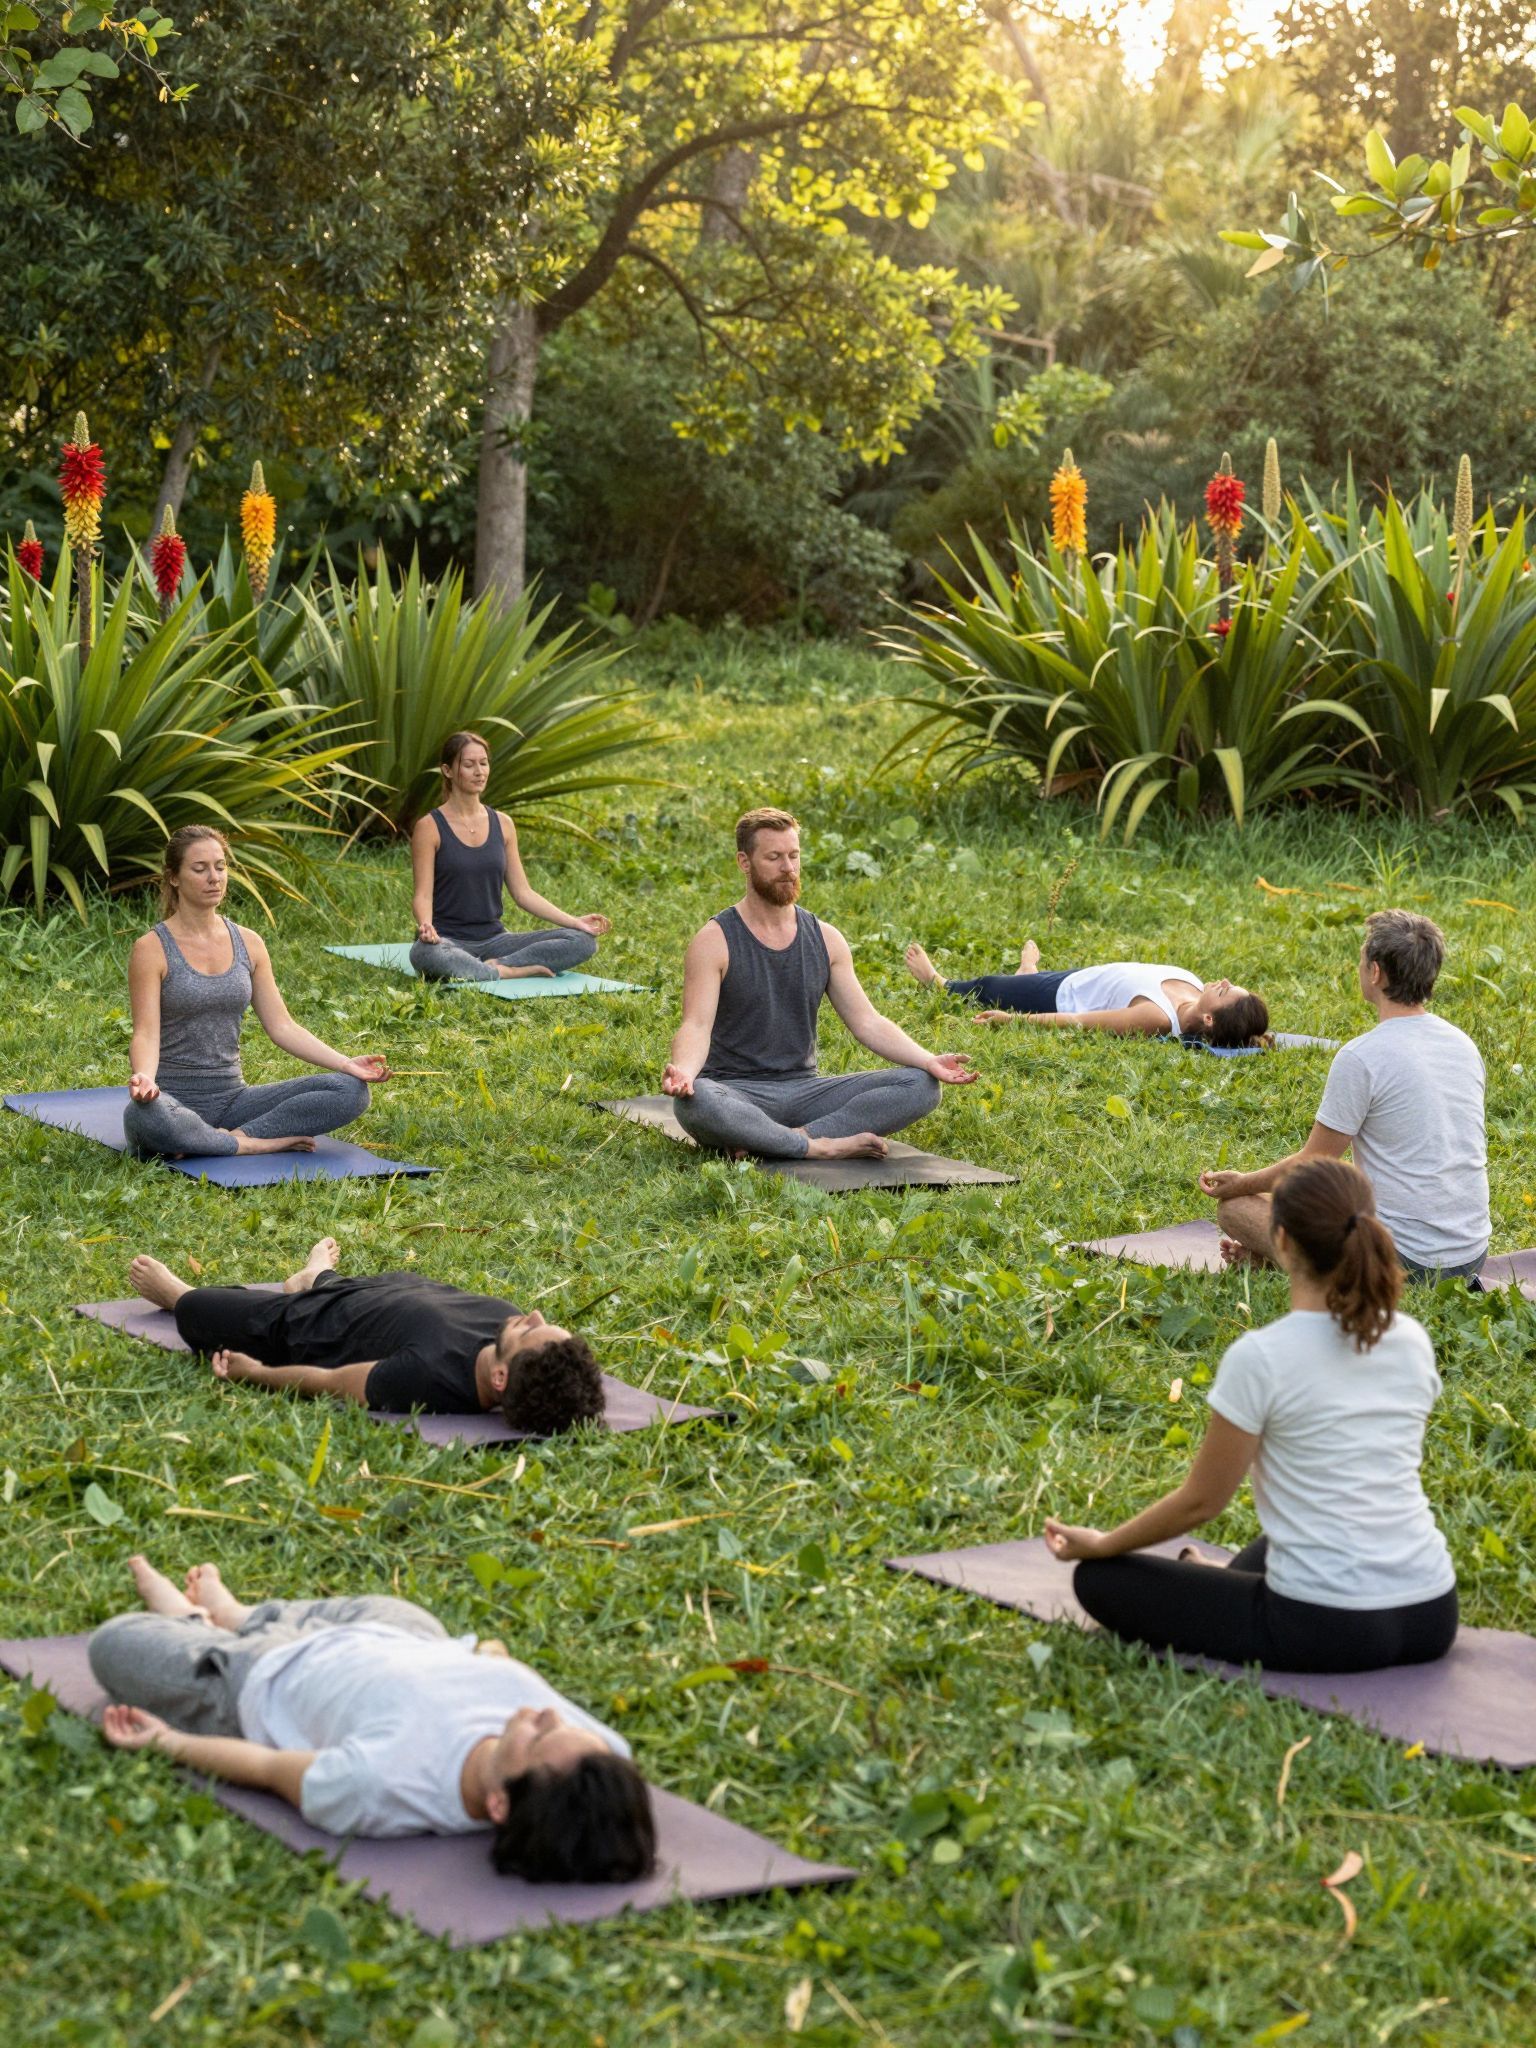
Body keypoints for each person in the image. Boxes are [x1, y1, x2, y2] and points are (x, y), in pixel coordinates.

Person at [1044, 1160, 1458, 1674]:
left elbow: (1201, 1503)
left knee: (1098, 1580)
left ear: (1280, 1241)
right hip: (1432, 1612)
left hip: (1328, 1627)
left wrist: (1105, 1543)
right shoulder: (1408, 1338)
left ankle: (1216, 1580)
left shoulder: (1262, 1356)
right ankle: (1219, 1575)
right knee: (1299, 1526)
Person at [91, 1555, 655, 1885]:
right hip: (398, 1638)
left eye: (540, 1735)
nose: (546, 1713)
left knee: (113, 1644)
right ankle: (236, 1613)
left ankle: (204, 1624)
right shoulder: (601, 1761)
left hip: (261, 1677)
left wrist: (168, 1742)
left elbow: (266, 1767)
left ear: (500, 1804)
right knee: (408, 1614)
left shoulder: (380, 1784)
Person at [663, 808, 978, 1159]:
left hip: (806, 1093)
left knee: (921, 1085)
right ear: (744, 862)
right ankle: (818, 1147)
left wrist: (929, 1059)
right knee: (697, 1102)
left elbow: (867, 1022)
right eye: (774, 857)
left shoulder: (826, 938)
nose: (788, 868)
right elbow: (696, 1024)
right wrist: (685, 1074)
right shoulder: (714, 940)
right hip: (736, 1093)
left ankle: (790, 1138)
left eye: (794, 856)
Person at [1197, 909, 1488, 1283]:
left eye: (1362, 958)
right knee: (1325, 1191)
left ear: (1376, 972)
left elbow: (1312, 1163)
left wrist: (1242, 1183)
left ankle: (1304, 1265)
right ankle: (1275, 1256)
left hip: (1402, 1263)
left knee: (1237, 1209)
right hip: (1469, 1257)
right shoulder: (1462, 1044)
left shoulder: (1362, 1056)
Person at [127, 1235, 606, 1432]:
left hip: (301, 1325)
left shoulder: (427, 1379)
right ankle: (312, 1278)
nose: (536, 1314)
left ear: (500, 1379)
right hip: (365, 1295)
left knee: (197, 1310)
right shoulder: (506, 1322)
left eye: (533, 1332)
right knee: (332, 1288)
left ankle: (184, 1293)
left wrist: (257, 1374)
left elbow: (334, 1384)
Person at [123, 826, 390, 1159]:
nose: (214, 877)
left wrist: (346, 1063)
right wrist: (145, 1080)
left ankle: (229, 1139)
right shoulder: (151, 949)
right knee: (143, 1117)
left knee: (350, 1091)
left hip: (234, 1102)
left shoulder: (249, 943)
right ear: (174, 877)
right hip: (172, 1102)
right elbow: (145, 1034)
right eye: (200, 868)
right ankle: (251, 1145)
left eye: (220, 867)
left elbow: (282, 1026)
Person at [409, 730, 611, 982]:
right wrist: (426, 925)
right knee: (424, 954)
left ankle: (497, 967)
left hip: (496, 941)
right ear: (448, 771)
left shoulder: (503, 824)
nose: (479, 771)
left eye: (483, 763)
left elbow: (523, 893)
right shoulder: (429, 827)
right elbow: (423, 894)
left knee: (582, 942)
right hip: (448, 940)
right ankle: (510, 971)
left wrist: (574, 922)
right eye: (469, 765)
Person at [903, 937, 1269, 1048]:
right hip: (1086, 977)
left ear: (1209, 1018)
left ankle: (939, 982)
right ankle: (1028, 972)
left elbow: (1079, 1021)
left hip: (1062, 994)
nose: (1221, 981)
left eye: (1224, 991)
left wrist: (1013, 1020)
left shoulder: (1156, 1018)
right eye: (1228, 983)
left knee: (990, 987)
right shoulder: (1191, 984)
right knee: (1017, 982)